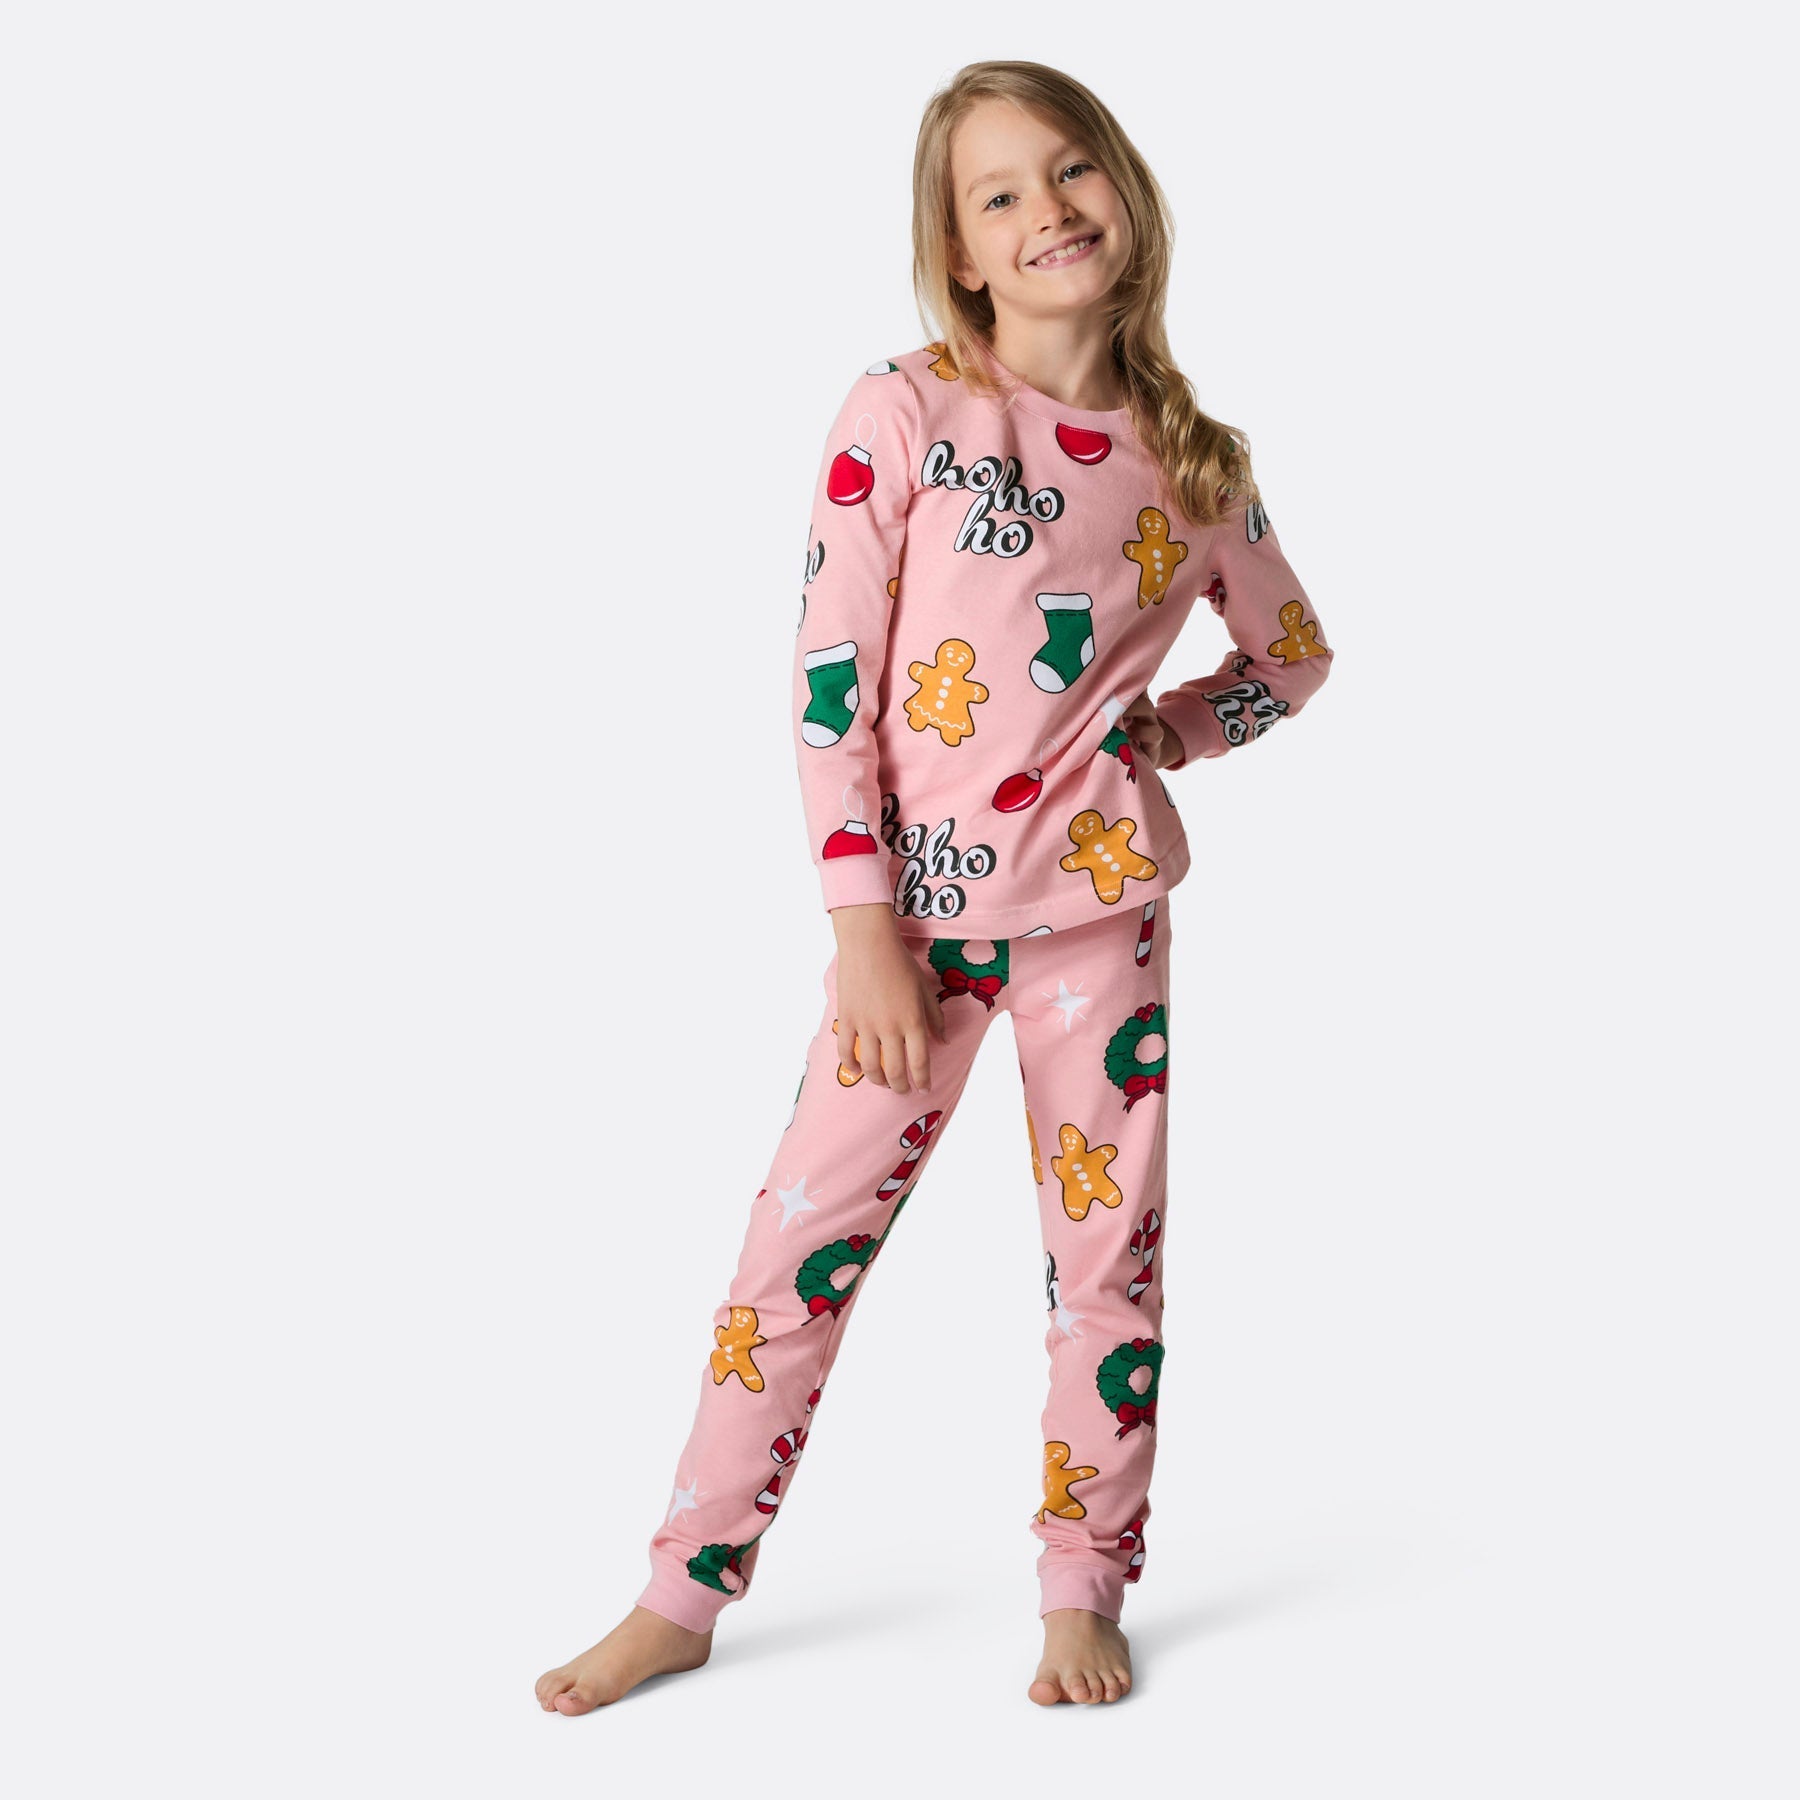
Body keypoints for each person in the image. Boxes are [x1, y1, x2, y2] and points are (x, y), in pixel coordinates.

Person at [536, 58, 1334, 1713]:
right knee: (792, 1258)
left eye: (1073, 169)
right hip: (909, 930)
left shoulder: (1196, 460)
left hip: (1100, 922)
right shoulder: (902, 412)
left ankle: (1081, 1586)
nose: (1049, 210)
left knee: (1106, 1271)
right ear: (960, 252)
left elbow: (1297, 655)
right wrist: (860, 931)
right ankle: (683, 1592)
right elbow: (830, 683)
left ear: (1126, 190)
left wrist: (1172, 735)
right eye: (1001, 194)